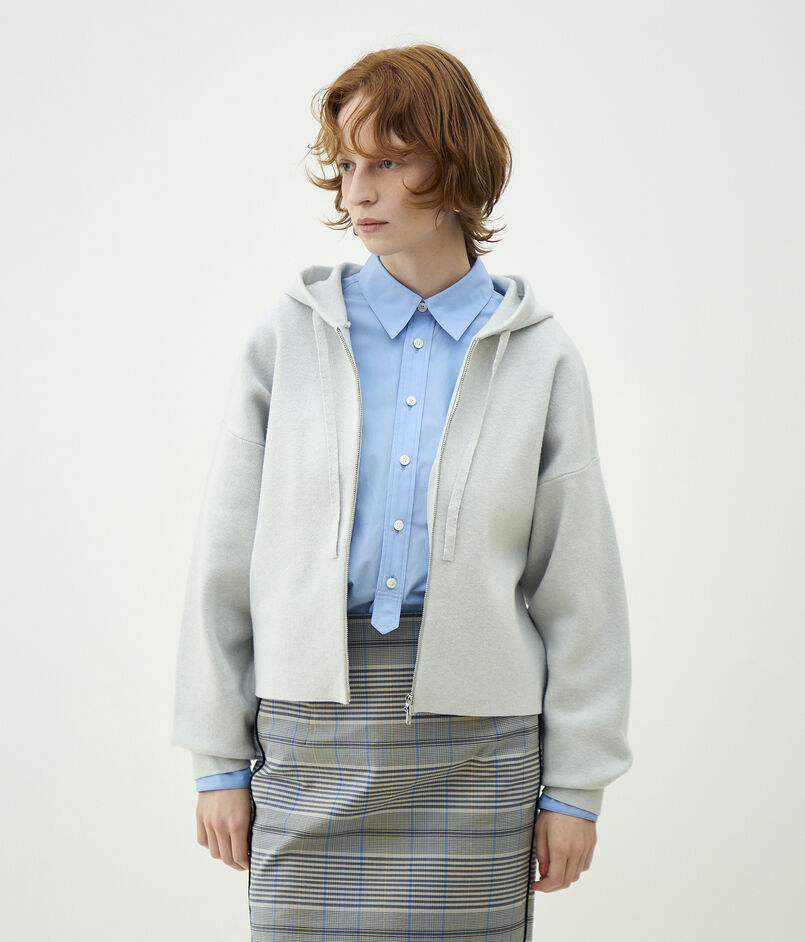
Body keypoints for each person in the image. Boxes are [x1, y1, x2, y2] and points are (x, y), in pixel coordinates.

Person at [171, 42, 633, 942]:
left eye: (387, 162)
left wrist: (576, 787)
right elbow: (224, 559)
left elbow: (580, 586)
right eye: (346, 166)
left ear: (455, 164)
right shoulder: (289, 338)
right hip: (309, 736)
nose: (358, 193)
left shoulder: (539, 355)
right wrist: (217, 759)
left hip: (478, 749)